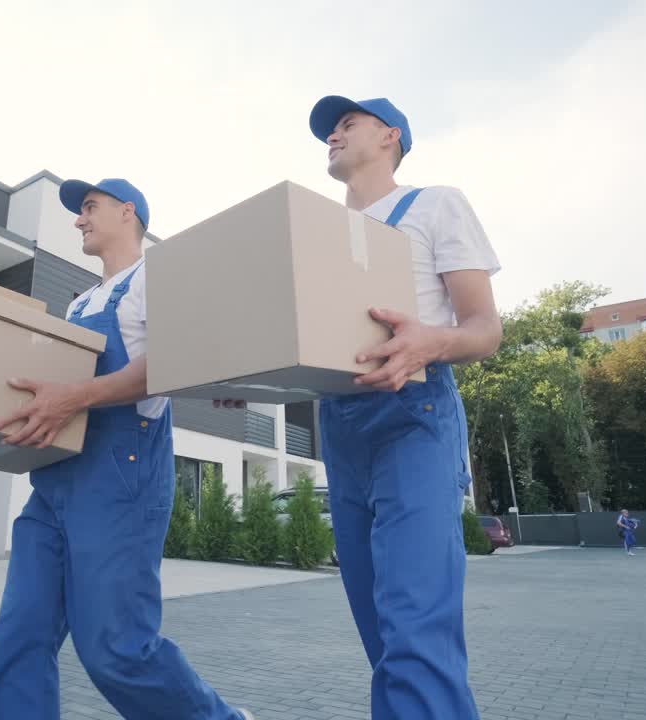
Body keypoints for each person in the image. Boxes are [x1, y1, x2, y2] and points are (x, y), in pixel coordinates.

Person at [219, 96, 502, 719]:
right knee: (382, 635)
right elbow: (313, 349)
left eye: (348, 123)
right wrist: (252, 374)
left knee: (415, 632)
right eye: (328, 129)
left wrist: (435, 339)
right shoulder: (314, 237)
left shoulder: (433, 204)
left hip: (415, 419)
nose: (333, 135)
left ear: (391, 136)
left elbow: (485, 329)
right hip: (341, 430)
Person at [0, 178, 252, 720]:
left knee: (115, 647)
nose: (78, 219)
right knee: (20, 633)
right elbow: (54, 401)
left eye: (89, 207)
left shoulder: (158, 277)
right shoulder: (80, 304)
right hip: (55, 483)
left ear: (127, 212)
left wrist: (77, 397)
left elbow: (176, 364)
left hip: (120, 477)